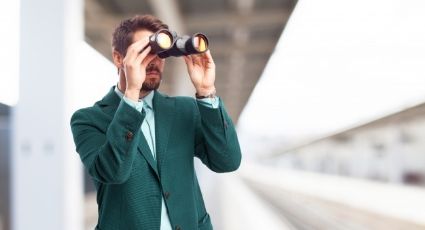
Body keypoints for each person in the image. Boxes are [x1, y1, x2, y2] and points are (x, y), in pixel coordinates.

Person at [70, 15, 242, 230]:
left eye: (161, 53)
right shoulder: (87, 119)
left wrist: (207, 92)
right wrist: (132, 94)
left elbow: (227, 161)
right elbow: (113, 172)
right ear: (118, 58)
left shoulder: (184, 110)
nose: (155, 61)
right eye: (145, 51)